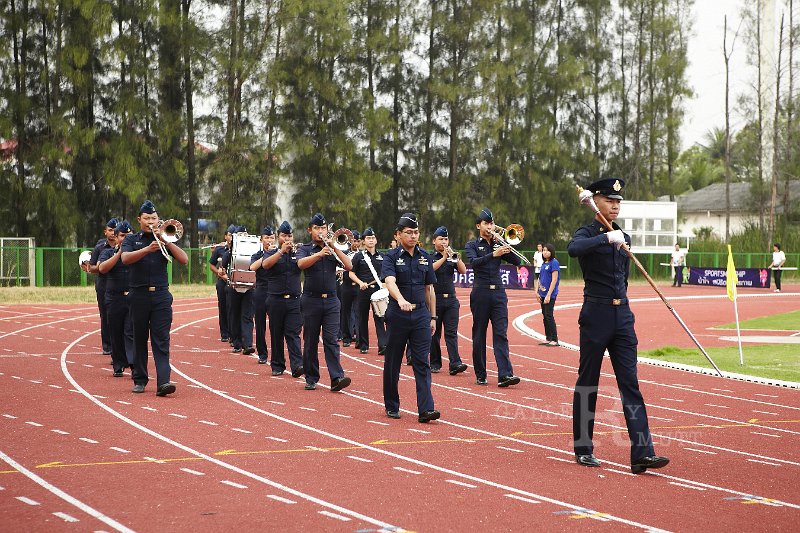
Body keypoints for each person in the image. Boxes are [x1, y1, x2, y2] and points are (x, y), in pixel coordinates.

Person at [567, 178, 669, 474]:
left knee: (630, 384)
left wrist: (617, 239)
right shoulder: (588, 233)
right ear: (595, 201)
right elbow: (574, 249)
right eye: (610, 200)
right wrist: (604, 239)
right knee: (588, 382)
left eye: (618, 201)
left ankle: (642, 453)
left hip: (622, 314)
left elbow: (621, 277)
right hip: (595, 313)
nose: (615, 205)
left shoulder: (624, 235)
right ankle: (583, 447)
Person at [121, 200, 188, 396]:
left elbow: (184, 260)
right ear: (139, 220)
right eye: (147, 218)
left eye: (154, 218)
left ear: (159, 220)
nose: (151, 221)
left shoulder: (166, 239)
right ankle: (140, 380)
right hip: (138, 295)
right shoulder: (132, 240)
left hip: (160, 296)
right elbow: (125, 259)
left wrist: (165, 240)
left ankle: (163, 382)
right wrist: (147, 250)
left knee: (161, 340)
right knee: (139, 338)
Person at [381, 213, 439, 422]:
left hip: (421, 315)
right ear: (398, 235)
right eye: (408, 232)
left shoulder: (425, 256)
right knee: (393, 361)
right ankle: (392, 404)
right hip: (398, 313)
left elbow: (429, 288)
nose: (413, 236)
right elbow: (389, 281)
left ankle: (425, 409)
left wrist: (433, 317)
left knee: (422, 361)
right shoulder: (391, 256)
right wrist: (400, 299)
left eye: (416, 232)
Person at [464, 208, 521, 387]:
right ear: (478, 225)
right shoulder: (472, 245)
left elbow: (517, 261)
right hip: (480, 292)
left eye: (491, 223)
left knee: (501, 334)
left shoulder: (498, 243)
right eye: (486, 223)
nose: (489, 226)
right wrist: (493, 254)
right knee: (479, 334)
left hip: (498, 293)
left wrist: (504, 245)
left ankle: (505, 374)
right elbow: (473, 263)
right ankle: (481, 374)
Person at [296, 213, 353, 392]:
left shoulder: (333, 247)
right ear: (310, 230)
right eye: (317, 228)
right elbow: (300, 264)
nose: (320, 231)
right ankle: (311, 377)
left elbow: (349, 266)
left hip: (331, 301)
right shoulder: (305, 248)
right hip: (311, 300)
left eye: (323, 228)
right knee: (311, 340)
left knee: (331, 339)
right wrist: (319, 254)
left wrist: (334, 248)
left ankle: (337, 377)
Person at [261, 221, 304, 377]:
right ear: (278, 237)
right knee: (276, 333)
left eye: (290, 235)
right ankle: (278, 365)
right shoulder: (271, 251)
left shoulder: (298, 251)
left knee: (293, 333)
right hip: (275, 299)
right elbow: (265, 265)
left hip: (294, 299)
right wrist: (281, 252)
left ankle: (297, 365)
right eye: (284, 235)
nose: (287, 238)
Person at [429, 226, 468, 375]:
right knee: (435, 334)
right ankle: (435, 363)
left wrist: (455, 258)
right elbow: (430, 270)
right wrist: (444, 258)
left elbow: (463, 270)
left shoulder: (452, 255)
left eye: (446, 239)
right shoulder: (430, 256)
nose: (444, 242)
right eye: (441, 239)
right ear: (434, 241)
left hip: (451, 299)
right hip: (435, 299)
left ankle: (455, 363)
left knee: (451, 333)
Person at [97, 220, 134, 376]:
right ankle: (118, 364)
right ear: (117, 237)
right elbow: (102, 268)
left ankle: (133, 364)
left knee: (131, 332)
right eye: (122, 236)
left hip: (133, 297)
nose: (125, 238)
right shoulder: (108, 252)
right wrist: (119, 253)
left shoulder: (137, 252)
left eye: (129, 235)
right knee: (116, 331)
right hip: (114, 298)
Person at [349, 227, 388, 354]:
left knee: (380, 317)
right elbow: (351, 273)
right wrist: (360, 283)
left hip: (378, 290)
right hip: (364, 291)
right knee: (362, 318)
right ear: (364, 241)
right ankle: (364, 345)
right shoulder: (359, 256)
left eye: (373, 238)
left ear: (376, 240)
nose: (371, 240)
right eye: (368, 238)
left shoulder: (382, 256)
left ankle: (383, 345)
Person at [84, 218, 119, 356]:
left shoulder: (124, 245)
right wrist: (99, 268)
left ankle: (119, 345)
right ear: (105, 231)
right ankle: (107, 345)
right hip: (103, 285)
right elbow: (91, 267)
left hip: (119, 284)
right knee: (105, 316)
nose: (113, 233)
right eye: (110, 230)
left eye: (115, 231)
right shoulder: (100, 247)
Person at [223, 225, 255, 355]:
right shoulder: (229, 252)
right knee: (234, 315)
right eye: (239, 235)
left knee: (247, 316)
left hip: (249, 287)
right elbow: (224, 266)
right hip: (234, 287)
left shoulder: (254, 249)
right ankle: (236, 343)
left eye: (244, 235)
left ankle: (247, 344)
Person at [250, 226, 276, 364]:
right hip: (260, 290)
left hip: (274, 291)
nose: (269, 240)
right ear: (261, 239)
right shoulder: (257, 254)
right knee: (260, 324)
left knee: (275, 324)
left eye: (272, 238)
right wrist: (266, 255)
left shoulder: (279, 253)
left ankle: (276, 354)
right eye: (267, 238)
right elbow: (252, 267)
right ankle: (262, 353)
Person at [209, 225, 235, 343]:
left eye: (233, 235)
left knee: (233, 307)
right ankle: (224, 333)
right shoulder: (220, 249)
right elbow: (211, 265)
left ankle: (233, 332)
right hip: (222, 283)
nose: (231, 237)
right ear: (225, 236)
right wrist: (219, 274)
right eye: (229, 235)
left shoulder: (239, 249)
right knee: (223, 307)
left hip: (234, 282)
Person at [339, 231, 361, 347]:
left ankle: (358, 337)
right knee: (346, 312)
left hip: (358, 285)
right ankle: (346, 337)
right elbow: (339, 268)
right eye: (354, 240)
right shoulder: (344, 253)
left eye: (358, 241)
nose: (355, 243)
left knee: (358, 312)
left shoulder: (363, 255)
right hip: (346, 285)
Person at [536, 243, 560, 346]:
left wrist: (549, 295)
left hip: (550, 294)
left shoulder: (554, 263)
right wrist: (536, 292)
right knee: (545, 316)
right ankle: (548, 337)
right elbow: (539, 278)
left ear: (551, 252)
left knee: (549, 315)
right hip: (541, 293)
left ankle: (555, 339)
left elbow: (554, 280)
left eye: (547, 250)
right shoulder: (543, 263)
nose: (545, 252)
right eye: (544, 250)